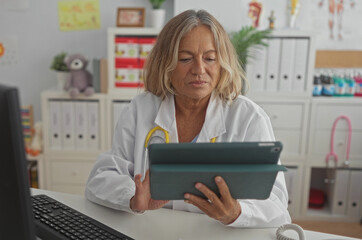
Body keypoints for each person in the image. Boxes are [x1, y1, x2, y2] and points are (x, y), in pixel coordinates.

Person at [86, 9, 291, 227]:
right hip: (151, 231)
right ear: (166, 64)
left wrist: (238, 213)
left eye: (210, 58)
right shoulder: (140, 110)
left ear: (222, 63)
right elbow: (101, 177)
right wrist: (132, 198)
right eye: (185, 59)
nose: (199, 70)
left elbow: (277, 204)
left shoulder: (248, 117)